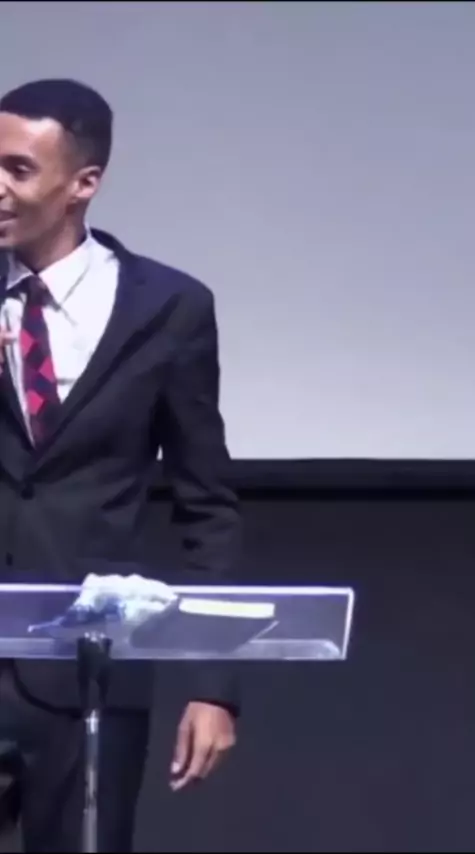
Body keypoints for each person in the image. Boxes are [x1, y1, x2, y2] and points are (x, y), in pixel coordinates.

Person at [0, 78, 241, 852]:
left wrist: (213, 684)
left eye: (17, 169)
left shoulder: (168, 308)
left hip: (89, 676)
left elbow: (206, 502)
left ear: (84, 183)